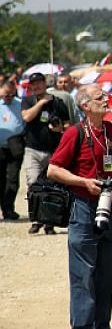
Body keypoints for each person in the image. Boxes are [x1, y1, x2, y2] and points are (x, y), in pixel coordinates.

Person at [47, 84, 112, 329]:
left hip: (109, 205)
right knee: (83, 269)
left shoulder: (108, 130)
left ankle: (102, 322)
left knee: (109, 268)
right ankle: (82, 327)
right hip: (83, 206)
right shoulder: (74, 133)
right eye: (100, 97)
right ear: (85, 106)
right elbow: (53, 170)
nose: (106, 99)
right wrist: (83, 182)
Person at [22, 72, 69, 234]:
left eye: (39, 83)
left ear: (45, 83)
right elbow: (27, 117)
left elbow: (67, 124)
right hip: (33, 150)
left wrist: (60, 129)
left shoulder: (57, 102)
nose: (36, 86)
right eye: (33, 84)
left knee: (52, 186)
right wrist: (41, 103)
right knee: (33, 182)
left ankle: (49, 221)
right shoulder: (27, 100)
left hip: (54, 151)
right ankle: (36, 219)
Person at [0, 81, 25, 219]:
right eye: (5, 95)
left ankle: (9, 208)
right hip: (0, 147)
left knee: (13, 178)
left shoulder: (20, 104)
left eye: (10, 95)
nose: (7, 97)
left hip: (15, 145)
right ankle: (3, 206)